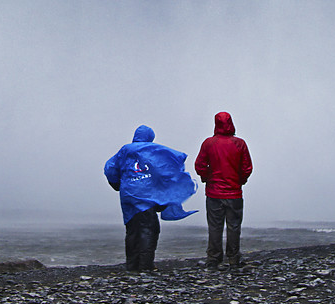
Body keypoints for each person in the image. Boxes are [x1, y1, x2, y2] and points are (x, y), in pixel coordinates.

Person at [104, 124, 197, 272]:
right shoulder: (154, 151)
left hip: (128, 195)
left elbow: (110, 168)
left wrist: (117, 185)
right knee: (149, 229)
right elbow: (165, 169)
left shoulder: (125, 150)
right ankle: (146, 265)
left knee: (132, 229)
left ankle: (132, 265)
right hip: (147, 195)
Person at [194, 111, 253, 270]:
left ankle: (214, 258)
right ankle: (233, 258)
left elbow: (199, 165)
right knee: (234, 226)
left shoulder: (209, 143)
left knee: (215, 226)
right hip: (234, 193)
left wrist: (207, 178)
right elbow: (247, 167)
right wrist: (239, 181)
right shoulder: (239, 144)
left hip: (214, 193)